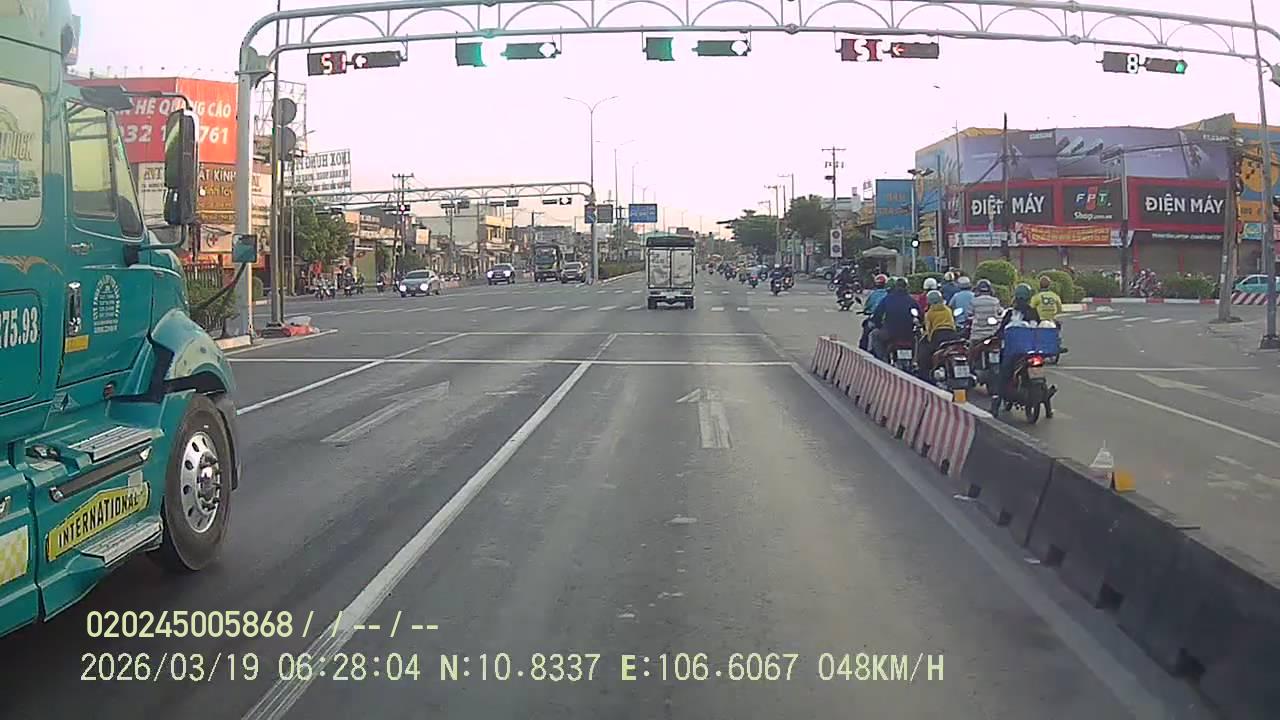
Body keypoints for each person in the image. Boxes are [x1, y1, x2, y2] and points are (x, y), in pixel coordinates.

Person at [991, 283, 1042, 411]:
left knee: (1003, 375)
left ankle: (997, 401)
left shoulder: (1010, 313)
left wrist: (997, 336)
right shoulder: (1033, 312)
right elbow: (1039, 328)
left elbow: (1001, 330)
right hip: (1031, 350)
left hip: (1013, 352)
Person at [870, 277, 918, 362]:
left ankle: (882, 360)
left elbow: (877, 314)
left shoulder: (888, 299)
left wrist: (878, 324)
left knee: (874, 334)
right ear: (906, 287)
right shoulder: (911, 300)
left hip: (890, 333)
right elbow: (920, 315)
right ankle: (914, 361)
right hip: (908, 334)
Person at [918, 290, 960, 378]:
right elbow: (953, 324)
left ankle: (925, 374)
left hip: (937, 335)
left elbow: (929, 330)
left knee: (924, 352)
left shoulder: (929, 313)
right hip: (951, 334)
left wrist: (928, 339)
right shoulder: (948, 310)